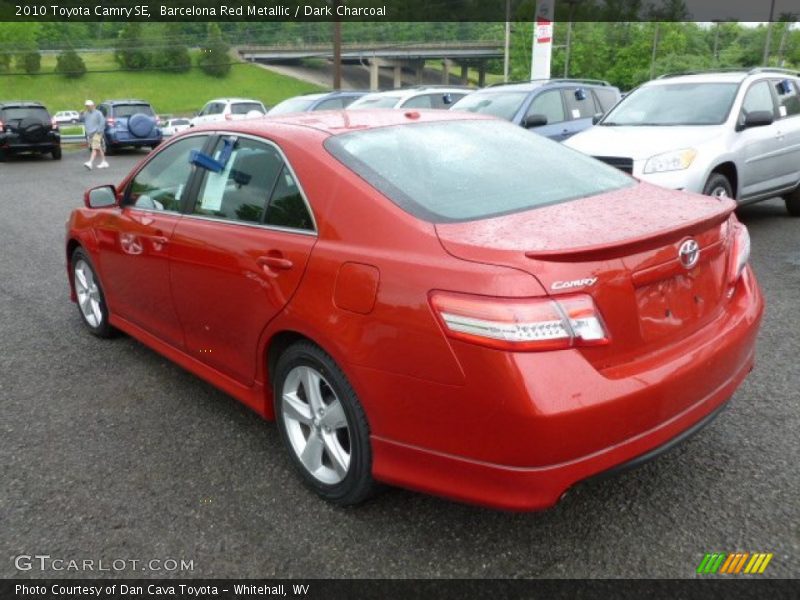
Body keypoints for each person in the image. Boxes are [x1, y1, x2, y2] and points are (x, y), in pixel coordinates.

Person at [83, 100, 108, 170]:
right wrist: (80, 115)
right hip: (90, 134)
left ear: (93, 105)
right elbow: (81, 119)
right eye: (87, 106)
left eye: (89, 106)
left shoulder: (98, 113)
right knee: (98, 147)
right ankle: (104, 162)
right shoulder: (86, 113)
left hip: (97, 133)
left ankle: (90, 163)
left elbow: (102, 122)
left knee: (94, 148)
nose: (88, 107)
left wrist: (99, 131)